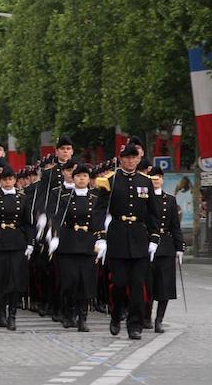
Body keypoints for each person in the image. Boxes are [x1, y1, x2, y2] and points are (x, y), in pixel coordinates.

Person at [93, 143, 160, 340]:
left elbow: (153, 213)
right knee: (120, 283)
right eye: (126, 157)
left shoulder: (146, 181)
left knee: (138, 285)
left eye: (133, 157)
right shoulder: (110, 181)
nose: (130, 161)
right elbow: (99, 210)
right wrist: (101, 237)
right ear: (121, 159)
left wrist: (154, 238)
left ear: (139, 159)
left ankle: (135, 325)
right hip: (118, 237)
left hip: (139, 237)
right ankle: (115, 315)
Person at [51, 163, 100, 332]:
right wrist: (54, 236)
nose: (81, 179)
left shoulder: (95, 198)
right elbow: (57, 218)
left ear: (89, 179)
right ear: (73, 178)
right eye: (78, 176)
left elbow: (98, 221)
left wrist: (101, 240)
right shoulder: (65, 197)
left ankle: (82, 317)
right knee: (69, 281)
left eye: (85, 176)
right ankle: (68, 313)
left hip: (87, 244)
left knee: (85, 282)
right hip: (69, 243)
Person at [0, 166, 33, 330]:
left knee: (15, 280)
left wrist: (30, 243)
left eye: (10, 179)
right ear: (0, 181)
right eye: (4, 179)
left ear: (15, 180)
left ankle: (12, 314)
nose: (7, 182)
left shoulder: (22, 198)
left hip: (17, 242)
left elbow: (28, 222)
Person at [146, 167, 184, 333]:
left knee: (165, 286)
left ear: (162, 179)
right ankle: (146, 316)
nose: (155, 180)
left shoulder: (170, 200)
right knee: (148, 284)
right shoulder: (144, 198)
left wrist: (179, 247)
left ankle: (159, 320)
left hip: (166, 246)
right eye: (152, 178)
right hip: (147, 246)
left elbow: (175, 225)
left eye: (158, 178)